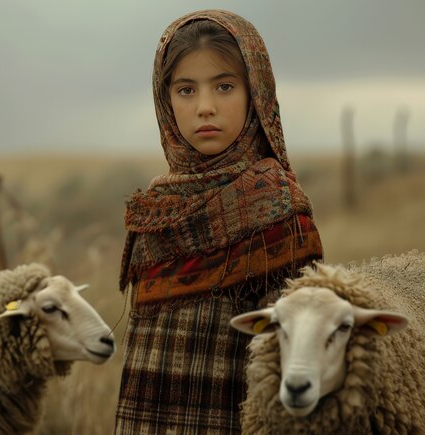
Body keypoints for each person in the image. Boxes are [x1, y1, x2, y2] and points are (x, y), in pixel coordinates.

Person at [114, 9, 324, 434]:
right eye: (186, 90)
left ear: (256, 93)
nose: (205, 107)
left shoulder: (279, 208)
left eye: (224, 86)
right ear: (165, 99)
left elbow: (298, 348)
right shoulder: (155, 210)